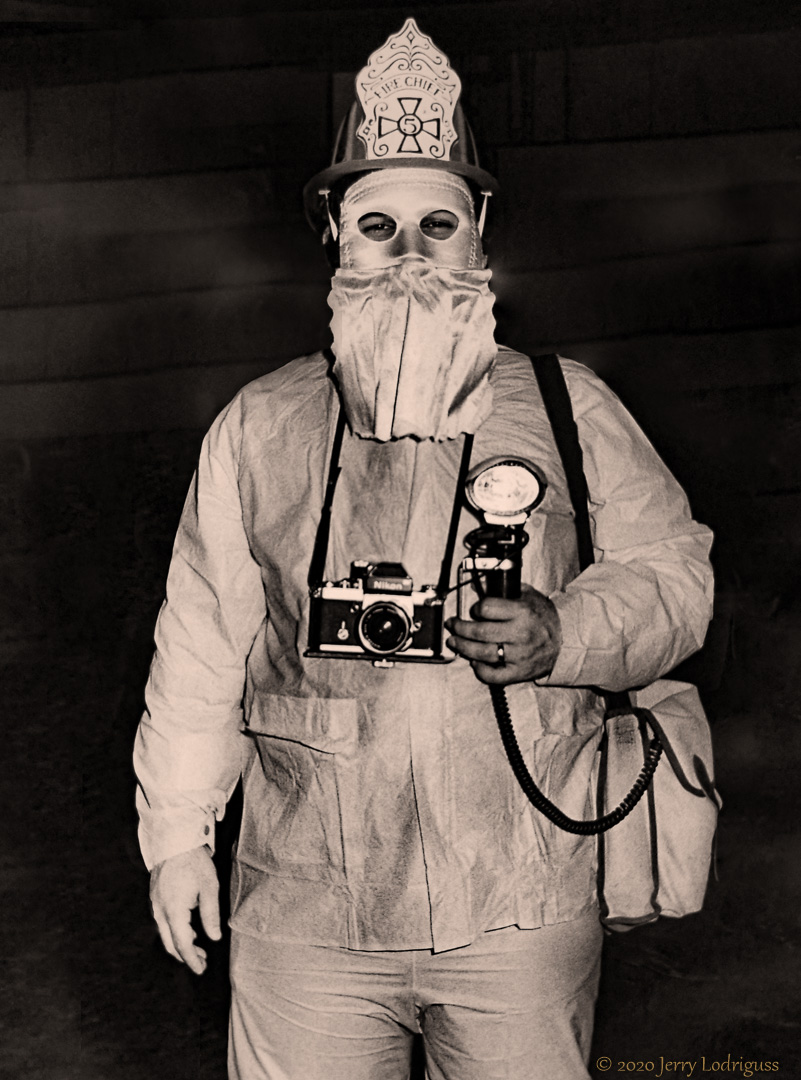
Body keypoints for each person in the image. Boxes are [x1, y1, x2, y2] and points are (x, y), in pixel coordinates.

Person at [134, 19, 714, 1080]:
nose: (409, 256)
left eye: (438, 224)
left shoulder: (568, 409)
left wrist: (567, 630)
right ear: (334, 237)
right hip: (306, 912)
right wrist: (177, 838)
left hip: (521, 902)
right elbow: (202, 651)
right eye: (379, 224)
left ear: (482, 232)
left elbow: (676, 579)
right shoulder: (260, 427)